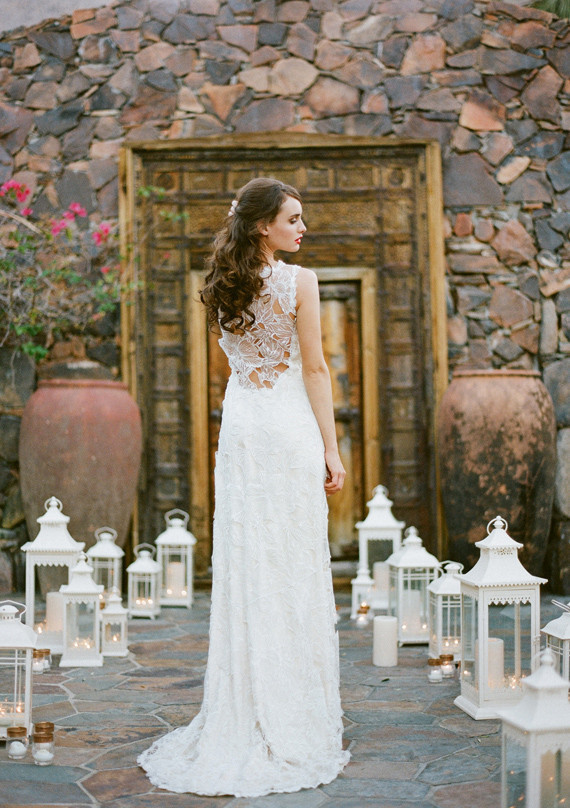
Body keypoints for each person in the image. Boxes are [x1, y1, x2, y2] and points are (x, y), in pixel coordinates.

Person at [138, 177, 350, 797]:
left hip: (243, 431)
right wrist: (332, 449)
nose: (302, 227)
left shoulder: (222, 284)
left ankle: (249, 705)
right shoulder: (299, 283)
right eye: (293, 218)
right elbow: (313, 367)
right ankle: (291, 716)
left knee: (250, 566)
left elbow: (243, 363)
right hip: (284, 428)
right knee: (290, 566)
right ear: (264, 226)